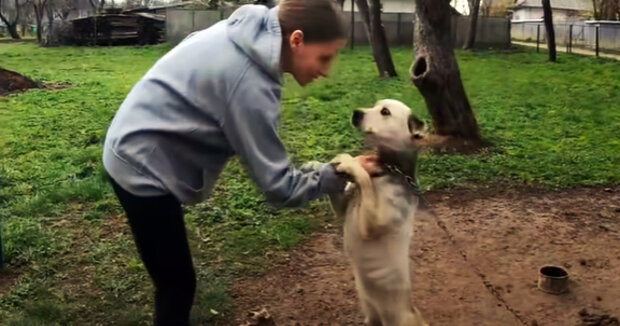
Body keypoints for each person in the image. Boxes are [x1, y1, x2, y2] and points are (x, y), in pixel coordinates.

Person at [102, 0, 378, 325]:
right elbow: (279, 187)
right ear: (296, 40)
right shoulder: (249, 84)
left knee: (174, 278)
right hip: (140, 165)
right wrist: (337, 173)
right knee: (177, 285)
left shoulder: (246, 33)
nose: (326, 70)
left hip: (133, 141)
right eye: (324, 57)